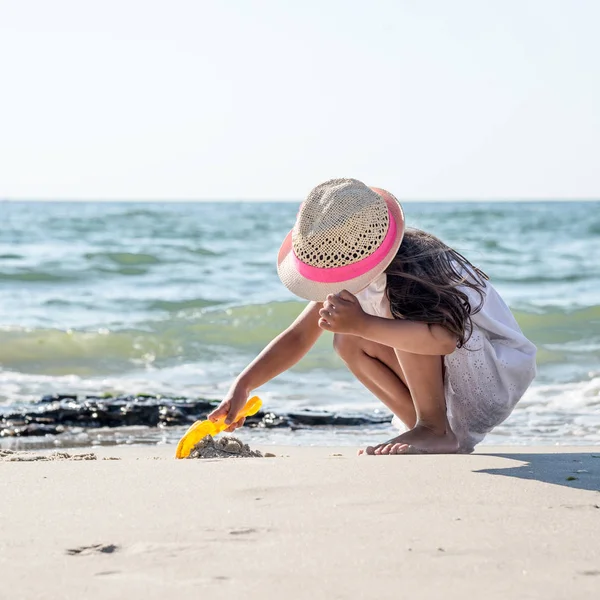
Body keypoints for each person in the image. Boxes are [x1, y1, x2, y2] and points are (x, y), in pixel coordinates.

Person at [209, 178, 537, 454]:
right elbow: (298, 337)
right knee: (346, 339)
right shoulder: (354, 275)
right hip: (453, 388)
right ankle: (428, 428)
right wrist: (244, 385)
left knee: (384, 321)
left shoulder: (411, 268)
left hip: (491, 376)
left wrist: (365, 323)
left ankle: (434, 430)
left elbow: (446, 339)